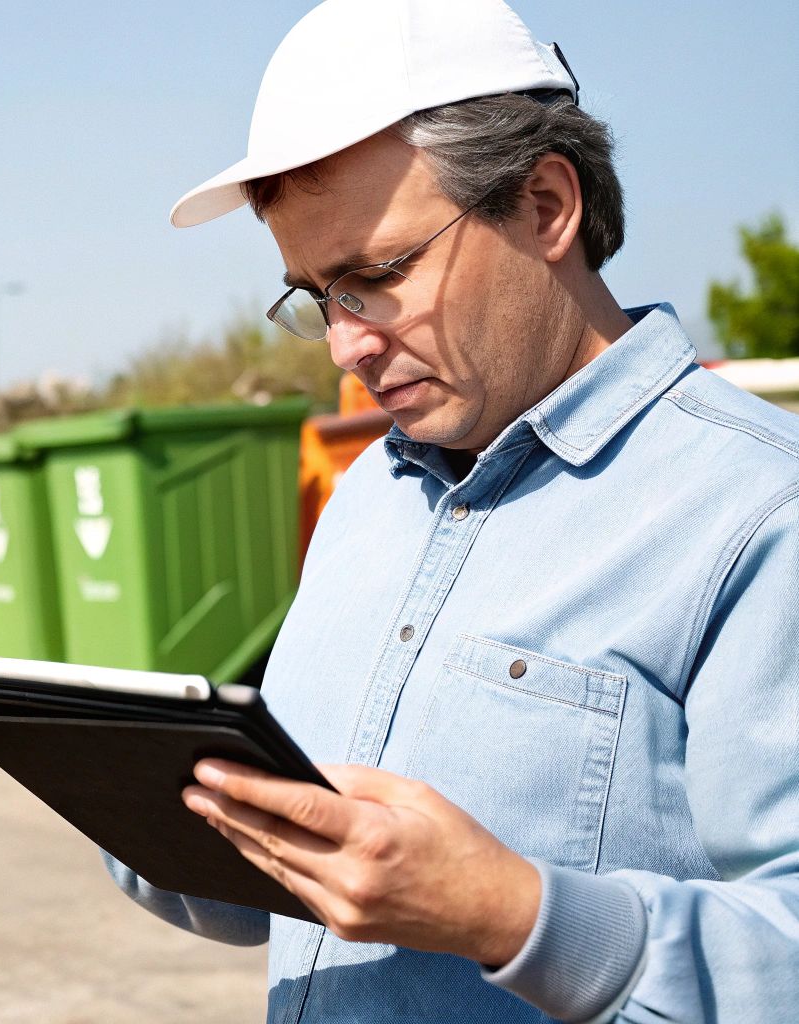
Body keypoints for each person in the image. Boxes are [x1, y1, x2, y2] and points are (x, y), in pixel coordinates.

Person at [101, 1, 799, 1020]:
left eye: (375, 276)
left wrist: (509, 915)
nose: (344, 344)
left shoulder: (755, 512)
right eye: (313, 294)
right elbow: (298, 889)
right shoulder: (363, 502)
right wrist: (146, 808)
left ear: (545, 207)